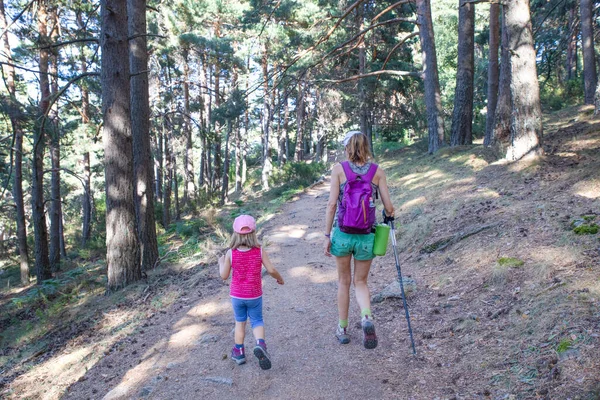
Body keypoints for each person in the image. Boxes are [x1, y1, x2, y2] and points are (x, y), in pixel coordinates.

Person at [324, 130, 395, 349]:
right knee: (361, 282)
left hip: (343, 234)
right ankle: (366, 317)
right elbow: (389, 207)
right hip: (366, 236)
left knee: (344, 282)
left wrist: (327, 235)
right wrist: (389, 216)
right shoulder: (377, 172)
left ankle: (342, 329)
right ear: (366, 146)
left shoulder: (338, 170)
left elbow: (332, 205)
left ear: (347, 147)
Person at [219, 214, 284, 370]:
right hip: (254, 294)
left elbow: (224, 275)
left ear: (235, 234)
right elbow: (271, 269)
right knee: (257, 320)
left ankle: (239, 352)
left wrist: (221, 262)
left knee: (240, 322)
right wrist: (279, 278)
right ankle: (260, 344)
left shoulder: (231, 253)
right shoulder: (259, 251)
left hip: (237, 295)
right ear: (254, 233)